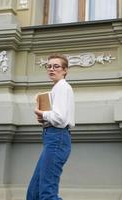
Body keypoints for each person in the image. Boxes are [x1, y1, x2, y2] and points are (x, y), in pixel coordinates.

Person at [26, 54, 75, 200]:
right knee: (34, 192)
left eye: (56, 66)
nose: (51, 69)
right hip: (53, 137)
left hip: (57, 137)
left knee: (47, 192)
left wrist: (42, 113)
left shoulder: (62, 87)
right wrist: (44, 118)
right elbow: (57, 117)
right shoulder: (56, 89)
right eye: (49, 66)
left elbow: (60, 118)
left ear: (65, 70)